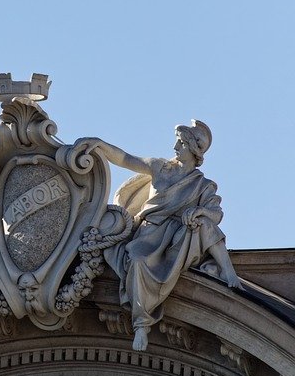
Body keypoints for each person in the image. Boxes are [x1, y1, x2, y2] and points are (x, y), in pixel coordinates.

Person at [78, 120, 240, 351]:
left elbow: (215, 214)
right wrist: (100, 145)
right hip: (149, 232)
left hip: (179, 235)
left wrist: (199, 210)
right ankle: (141, 323)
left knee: (204, 224)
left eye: (181, 143)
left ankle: (228, 273)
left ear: (194, 151)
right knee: (136, 258)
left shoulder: (203, 186)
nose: (175, 146)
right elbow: (126, 159)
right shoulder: (159, 167)